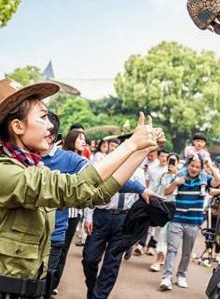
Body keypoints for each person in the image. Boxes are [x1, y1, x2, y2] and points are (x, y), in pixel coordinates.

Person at [0, 77, 163, 298]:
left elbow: (99, 193)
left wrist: (142, 150)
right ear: (17, 126)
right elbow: (74, 186)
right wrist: (130, 143)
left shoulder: (32, 168)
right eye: (43, 117)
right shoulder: (6, 173)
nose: (50, 126)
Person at [82, 156, 155, 299]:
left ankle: (99, 296)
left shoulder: (138, 172)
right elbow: (91, 190)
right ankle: (93, 288)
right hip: (100, 216)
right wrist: (88, 217)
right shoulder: (108, 166)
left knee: (112, 264)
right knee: (89, 259)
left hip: (123, 219)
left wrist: (135, 225)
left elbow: (140, 199)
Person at [160, 154, 220, 291]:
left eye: (197, 167)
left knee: (187, 252)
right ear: (188, 165)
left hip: (193, 222)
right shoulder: (180, 177)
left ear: (201, 168)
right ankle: (167, 278)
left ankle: (181, 275)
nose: (194, 169)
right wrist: (176, 183)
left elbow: (219, 180)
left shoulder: (204, 180)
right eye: (192, 165)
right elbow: (166, 191)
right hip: (176, 219)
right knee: (172, 249)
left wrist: (210, 165)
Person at [41, 113, 89, 295]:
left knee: (45, 284)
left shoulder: (71, 159)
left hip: (56, 234)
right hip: (23, 240)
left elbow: (99, 179)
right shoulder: (19, 157)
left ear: (51, 136)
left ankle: (53, 284)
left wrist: (134, 149)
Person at [150, 152, 179, 272]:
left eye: (174, 161)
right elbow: (154, 189)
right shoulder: (161, 175)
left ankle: (158, 259)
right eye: (170, 161)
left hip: (173, 208)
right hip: (161, 207)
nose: (171, 163)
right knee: (158, 234)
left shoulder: (180, 177)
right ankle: (161, 257)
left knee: (163, 235)